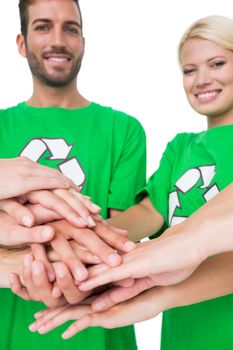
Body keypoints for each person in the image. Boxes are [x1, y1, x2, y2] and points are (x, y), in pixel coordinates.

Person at [27, 15, 233, 349]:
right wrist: (88, 239)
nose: (201, 80)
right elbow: (148, 214)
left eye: (217, 64)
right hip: (182, 329)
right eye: (189, 70)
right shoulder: (181, 147)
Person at [0, 1, 146, 350]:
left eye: (70, 28)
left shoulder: (123, 130)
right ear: (21, 43)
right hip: (14, 330)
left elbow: (117, 236)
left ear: (83, 41)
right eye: (43, 26)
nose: (58, 40)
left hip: (101, 332)